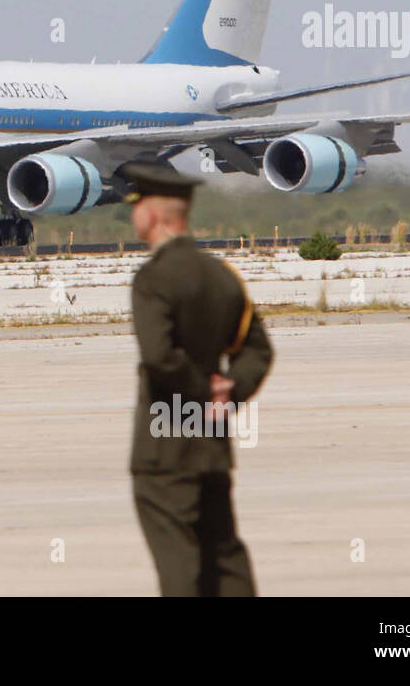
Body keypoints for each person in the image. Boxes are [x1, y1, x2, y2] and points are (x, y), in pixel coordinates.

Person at [123, 162, 273, 596]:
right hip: (211, 445)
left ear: (153, 214)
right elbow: (258, 349)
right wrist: (231, 389)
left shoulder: (153, 279)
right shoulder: (220, 276)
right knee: (225, 555)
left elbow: (159, 357)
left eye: (136, 206)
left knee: (180, 563)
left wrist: (200, 392)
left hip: (164, 446)